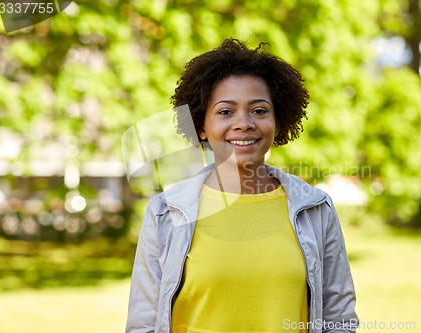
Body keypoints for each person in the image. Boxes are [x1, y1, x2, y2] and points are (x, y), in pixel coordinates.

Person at [126, 38, 358, 333]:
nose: (244, 123)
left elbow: (339, 319)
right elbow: (143, 323)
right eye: (225, 112)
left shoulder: (315, 209)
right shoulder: (165, 212)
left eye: (259, 110)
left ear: (278, 120)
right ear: (201, 125)